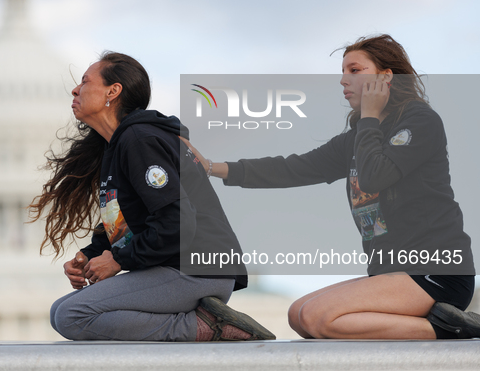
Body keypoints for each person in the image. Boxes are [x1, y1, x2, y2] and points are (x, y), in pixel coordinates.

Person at [182, 34, 480, 339]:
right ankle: (439, 325)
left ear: (385, 77)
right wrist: (211, 167)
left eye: (354, 70)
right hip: (392, 273)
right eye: (342, 72)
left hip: (436, 270)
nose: (343, 80)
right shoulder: (357, 138)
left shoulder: (419, 121)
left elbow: (375, 176)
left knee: (316, 317)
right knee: (298, 313)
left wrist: (369, 117)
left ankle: (449, 328)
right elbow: (292, 168)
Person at [29, 51, 275, 341]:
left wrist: (118, 260)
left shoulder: (140, 140)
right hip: (178, 266)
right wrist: (91, 254)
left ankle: (209, 326)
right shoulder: (119, 145)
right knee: (60, 312)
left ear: (113, 91)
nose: (75, 89)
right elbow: (129, 221)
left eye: (84, 81)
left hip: (199, 270)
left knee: (72, 315)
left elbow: (178, 223)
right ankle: (199, 321)